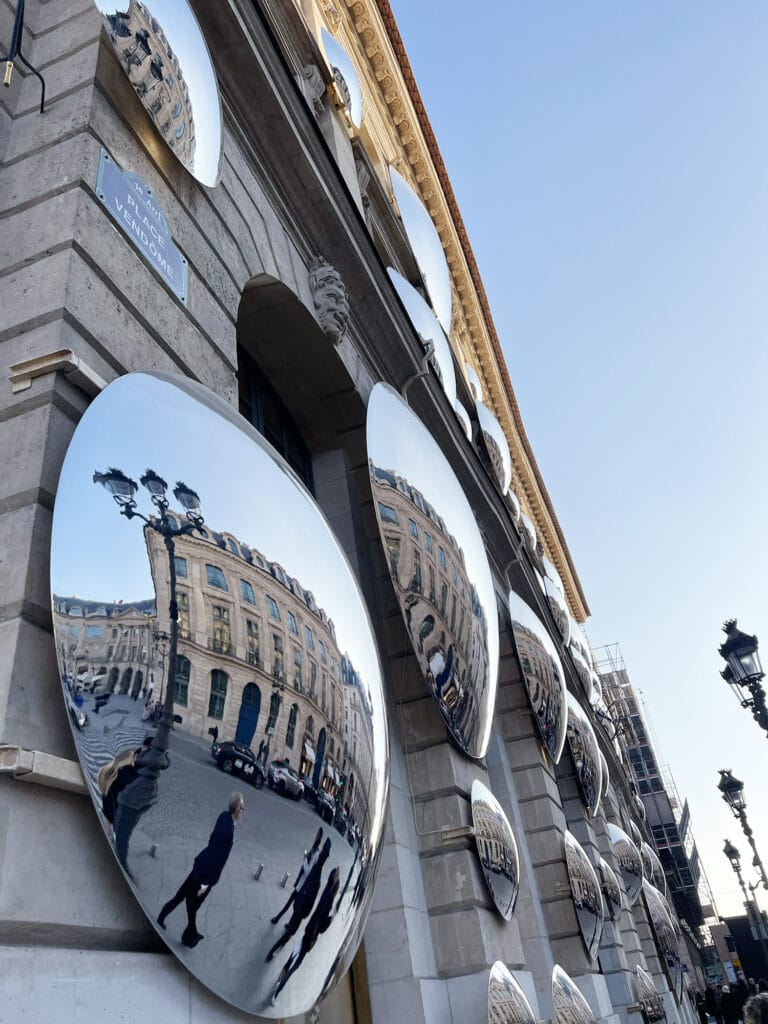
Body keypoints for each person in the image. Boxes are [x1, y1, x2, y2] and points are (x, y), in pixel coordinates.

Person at [158, 793, 244, 947]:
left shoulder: (223, 816)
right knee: (193, 906)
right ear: (236, 809)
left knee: (181, 896)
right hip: (205, 875)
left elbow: (211, 840)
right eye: (242, 808)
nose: (242, 811)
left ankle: (165, 919)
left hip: (200, 865)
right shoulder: (229, 832)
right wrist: (206, 885)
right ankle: (189, 937)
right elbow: (220, 861)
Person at [271, 867, 341, 1003]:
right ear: (334, 879)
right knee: (295, 965)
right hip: (311, 935)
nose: (338, 878)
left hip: (308, 933)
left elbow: (319, 916)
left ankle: (279, 980)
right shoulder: (329, 896)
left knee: (293, 958)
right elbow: (322, 923)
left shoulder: (328, 893)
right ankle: (277, 992)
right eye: (337, 876)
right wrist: (331, 919)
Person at [265, 838, 331, 962]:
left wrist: (302, 910)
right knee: (290, 931)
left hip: (300, 908)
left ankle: (274, 949)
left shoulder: (316, 876)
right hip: (300, 907)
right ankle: (274, 950)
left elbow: (311, 899)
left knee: (290, 932)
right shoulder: (317, 874)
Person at [99, 736, 153, 835]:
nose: (144, 749)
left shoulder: (144, 770)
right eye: (144, 747)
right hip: (113, 793)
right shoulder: (131, 757)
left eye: (147, 748)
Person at [271, 827, 324, 925]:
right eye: (316, 834)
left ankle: (281, 919)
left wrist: (304, 861)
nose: (315, 837)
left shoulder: (316, 853)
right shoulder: (313, 849)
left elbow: (309, 871)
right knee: (292, 903)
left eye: (317, 835)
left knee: (294, 905)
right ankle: (281, 919)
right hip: (301, 882)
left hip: (303, 886)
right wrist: (306, 857)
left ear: (319, 838)